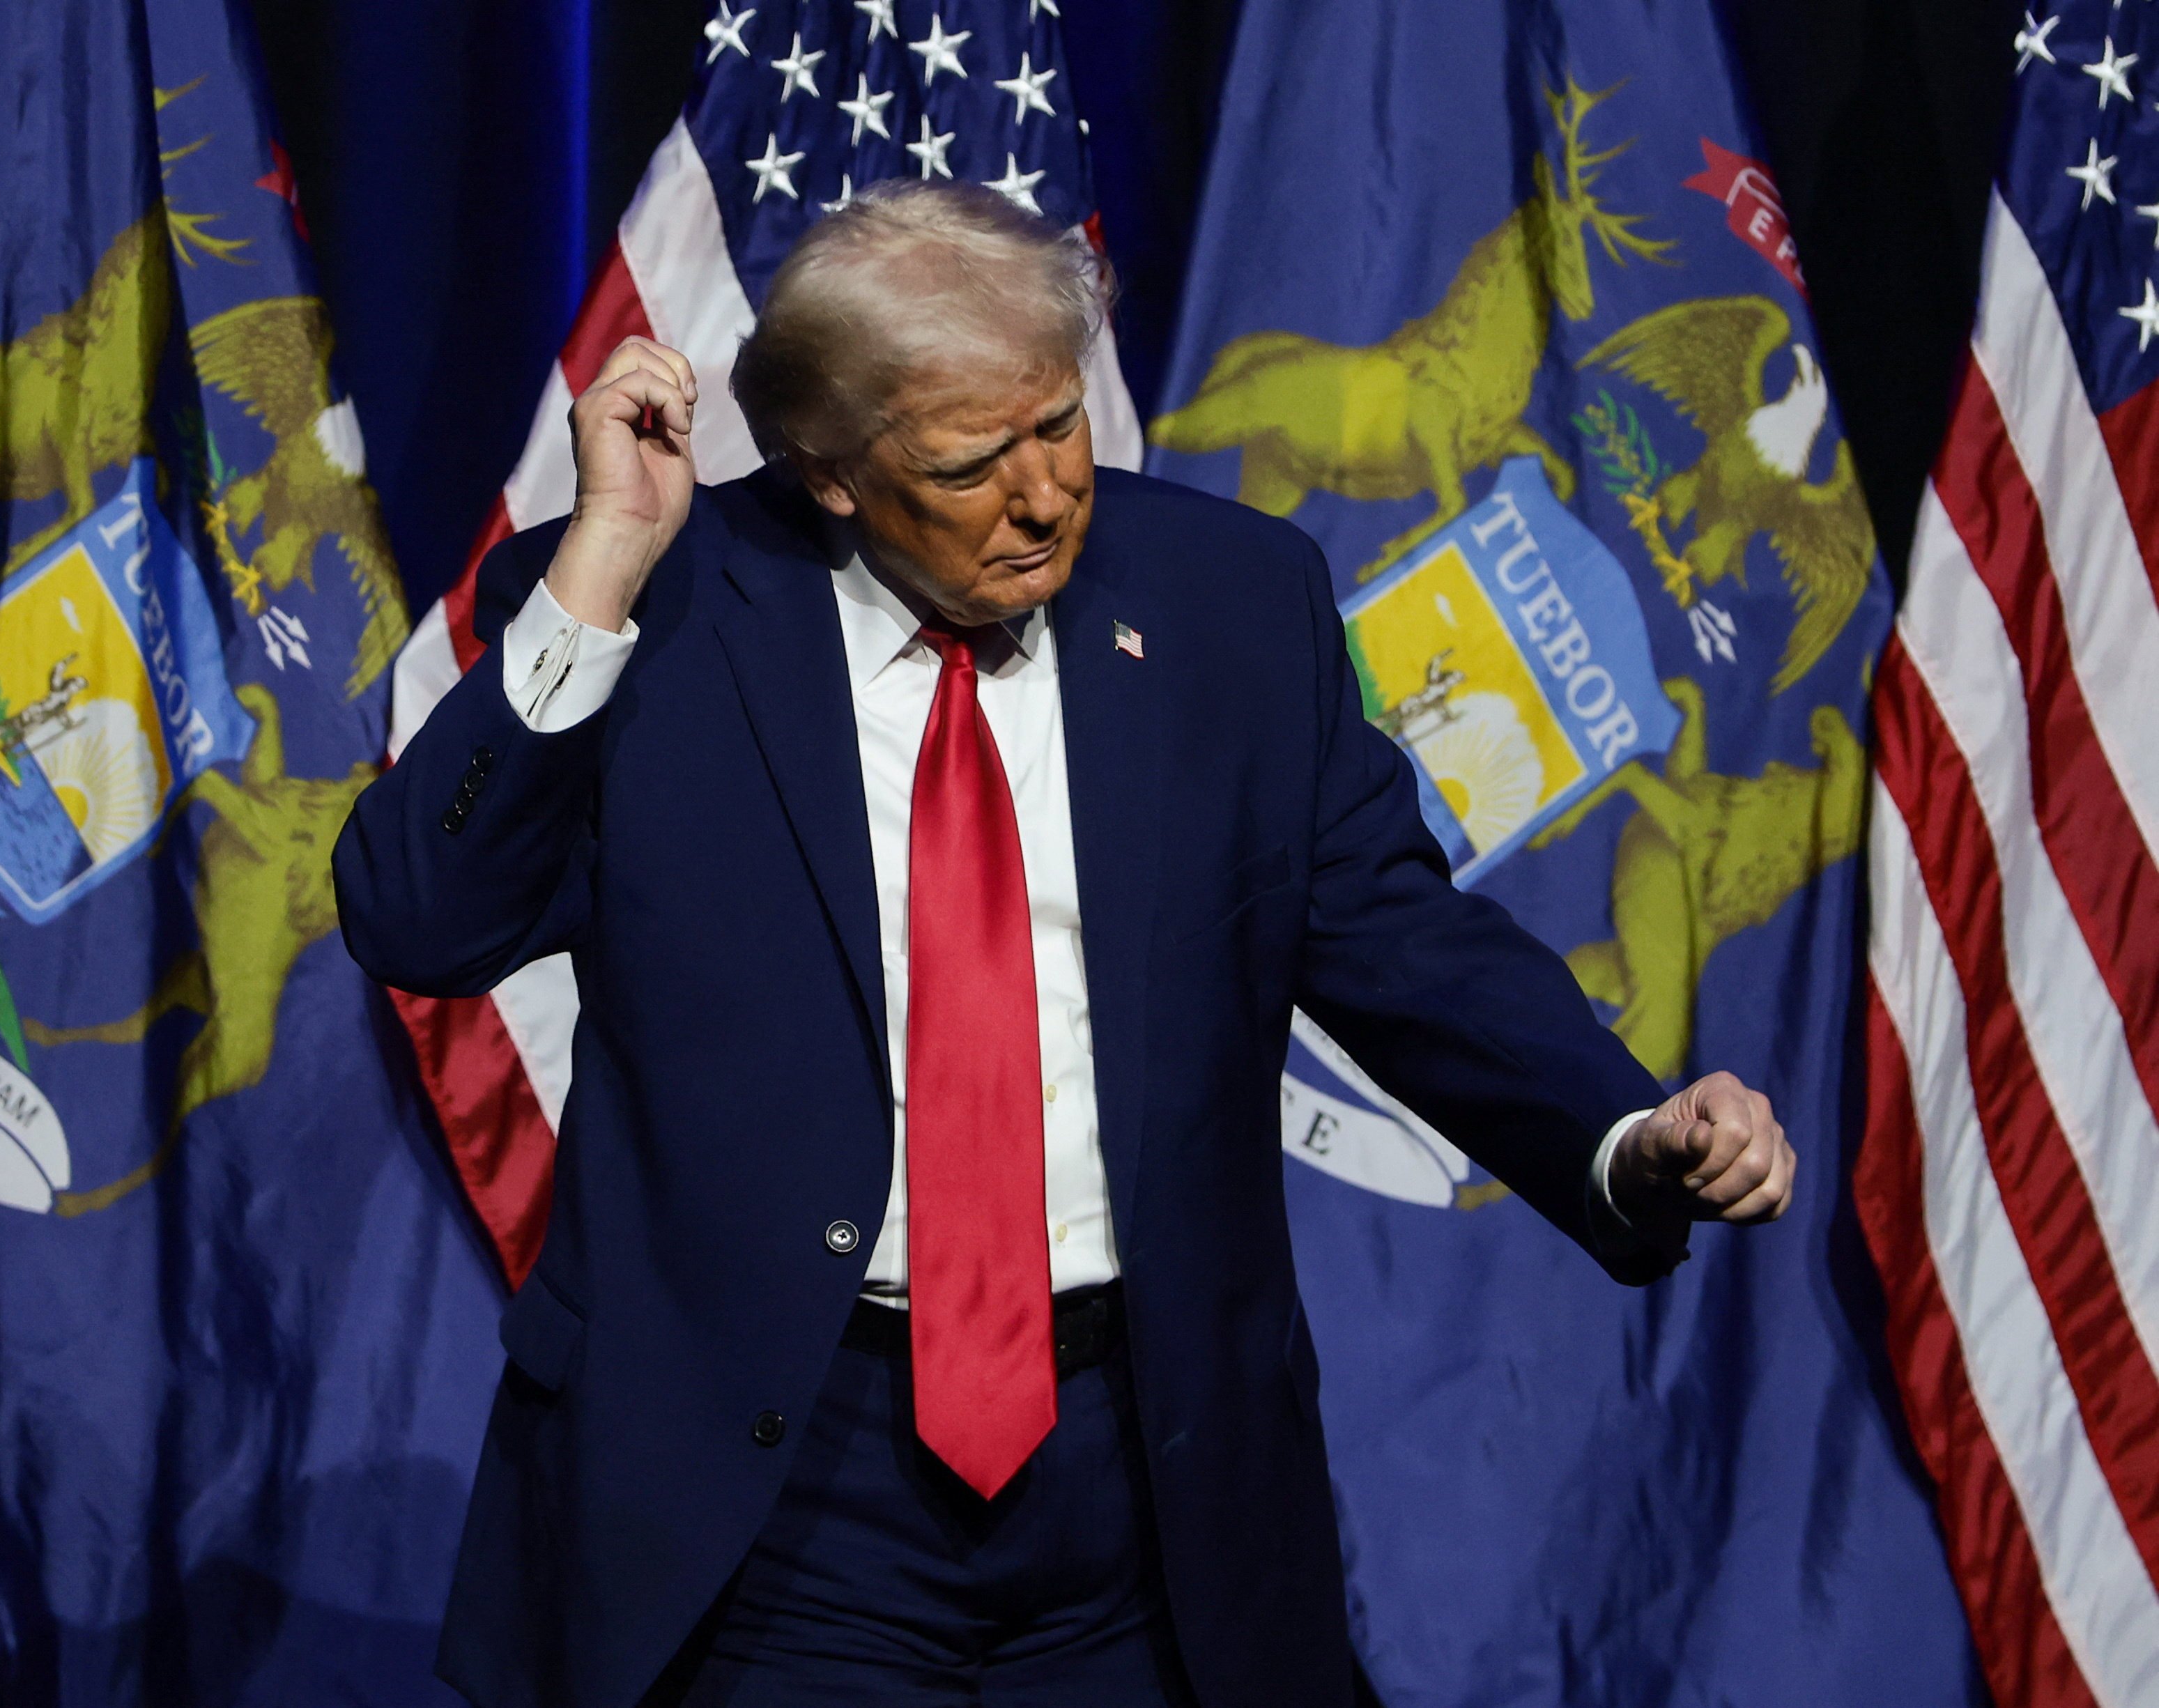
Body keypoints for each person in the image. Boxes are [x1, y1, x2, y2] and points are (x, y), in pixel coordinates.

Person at [333, 180, 1792, 1708]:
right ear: (829, 471)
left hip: (1142, 1477)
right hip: (776, 1480)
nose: (1042, 498)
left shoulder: (1230, 602)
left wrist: (1620, 1132)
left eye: (1057, 425)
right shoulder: (657, 611)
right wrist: (600, 572)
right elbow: (422, 920)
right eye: (970, 464)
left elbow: (1396, 937)